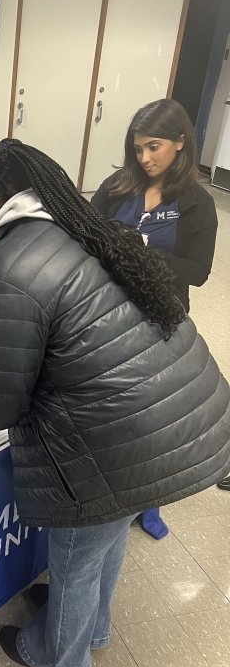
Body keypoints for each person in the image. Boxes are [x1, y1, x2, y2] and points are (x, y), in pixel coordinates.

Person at [0, 138, 230, 667]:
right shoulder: (81, 223)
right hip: (169, 419)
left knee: (76, 554)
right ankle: (92, 626)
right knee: (108, 533)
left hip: (111, 442)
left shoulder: (3, 264)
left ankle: (59, 657)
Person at [91, 98, 218, 540]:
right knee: (114, 409)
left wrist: (143, 249)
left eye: (155, 147)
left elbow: (198, 272)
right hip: (107, 314)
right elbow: (87, 235)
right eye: (138, 147)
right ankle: (110, 491)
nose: (144, 158)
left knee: (152, 418)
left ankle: (149, 499)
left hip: (161, 319)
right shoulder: (116, 187)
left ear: (181, 143)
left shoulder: (198, 205)